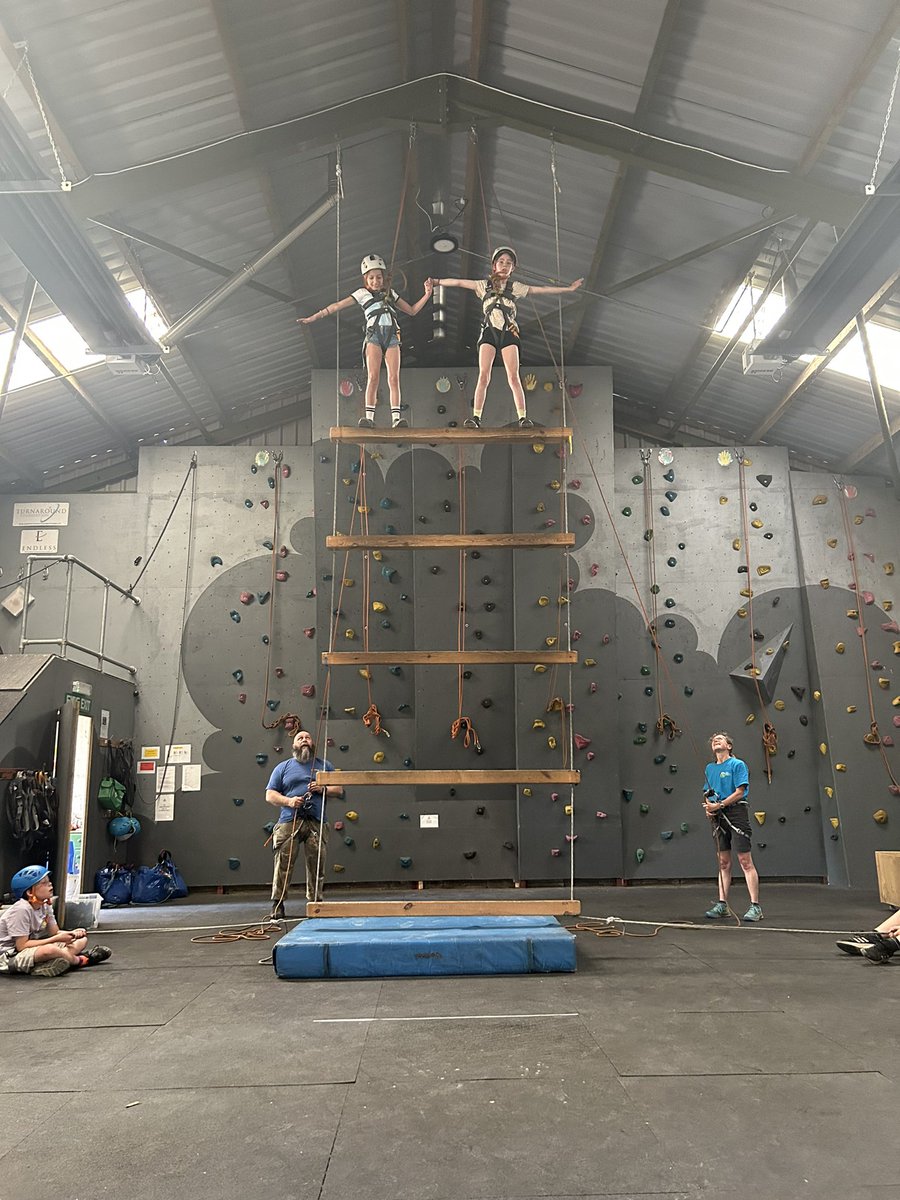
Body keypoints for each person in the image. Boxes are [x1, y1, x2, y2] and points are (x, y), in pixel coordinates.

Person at [432, 247, 584, 428]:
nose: (504, 266)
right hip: (489, 331)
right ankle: (476, 417)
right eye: (501, 262)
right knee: (483, 375)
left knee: (513, 376)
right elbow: (458, 282)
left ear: (513, 269)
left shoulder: (515, 287)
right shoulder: (483, 285)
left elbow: (541, 289)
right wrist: (437, 281)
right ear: (494, 265)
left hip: (509, 332)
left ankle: (522, 417)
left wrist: (568, 289)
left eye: (508, 263)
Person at [299, 254, 433, 429]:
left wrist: (427, 294)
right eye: (371, 278)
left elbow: (412, 311)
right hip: (374, 336)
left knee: (394, 378)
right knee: (373, 377)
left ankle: (396, 419)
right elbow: (337, 306)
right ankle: (369, 418)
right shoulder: (361, 294)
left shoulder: (391, 293)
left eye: (378, 277)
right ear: (366, 279)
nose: (375, 281)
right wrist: (315, 317)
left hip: (392, 336)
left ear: (383, 278)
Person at [265, 728, 344, 919]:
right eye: (300, 738)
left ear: (312, 743)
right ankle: (278, 904)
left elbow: (339, 789)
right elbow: (270, 795)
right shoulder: (282, 767)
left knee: (317, 865)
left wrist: (322, 788)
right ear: (294, 745)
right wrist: (289, 801)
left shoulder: (325, 765)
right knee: (283, 863)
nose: (305, 740)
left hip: (316, 822)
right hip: (289, 821)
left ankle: (316, 903)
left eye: (308, 737)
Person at [0, 866, 112, 977]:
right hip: (9, 955)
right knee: (50, 950)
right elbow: (22, 946)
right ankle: (80, 960)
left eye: (49, 881)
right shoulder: (22, 909)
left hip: (30, 948)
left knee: (81, 940)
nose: (50, 885)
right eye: (43, 883)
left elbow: (55, 932)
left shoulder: (45, 904)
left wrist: (72, 933)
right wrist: (56, 939)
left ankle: (50, 963)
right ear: (30, 892)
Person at [702, 731, 763, 922]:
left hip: (736, 813)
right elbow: (707, 791)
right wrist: (709, 807)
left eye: (720, 739)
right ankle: (722, 904)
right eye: (713, 740)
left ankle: (755, 906)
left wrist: (719, 805)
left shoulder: (737, 764)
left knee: (745, 860)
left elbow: (740, 791)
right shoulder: (710, 768)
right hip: (718, 816)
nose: (715, 741)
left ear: (729, 746)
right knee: (723, 862)